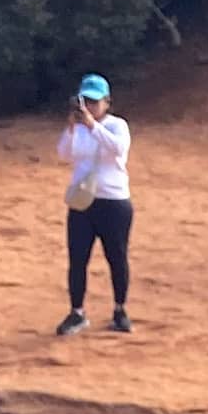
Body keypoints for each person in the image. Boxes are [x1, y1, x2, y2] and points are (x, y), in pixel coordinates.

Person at [54, 74, 132, 336]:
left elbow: (117, 150)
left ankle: (120, 309)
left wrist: (91, 125)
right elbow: (65, 154)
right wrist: (73, 127)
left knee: (117, 257)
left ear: (107, 102)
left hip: (113, 200)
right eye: (85, 101)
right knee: (77, 259)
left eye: (95, 102)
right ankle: (77, 312)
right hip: (83, 201)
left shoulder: (117, 125)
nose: (90, 106)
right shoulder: (79, 127)